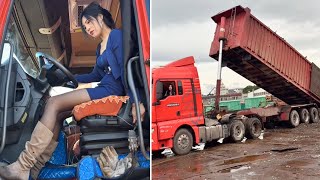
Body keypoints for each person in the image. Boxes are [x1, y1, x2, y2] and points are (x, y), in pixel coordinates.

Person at [0, 2, 145, 180]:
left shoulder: (116, 36)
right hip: (104, 87)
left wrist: (135, 100)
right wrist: (71, 79)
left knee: (54, 103)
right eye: (84, 27)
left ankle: (23, 165)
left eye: (89, 22)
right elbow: (94, 75)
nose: (88, 28)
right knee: (59, 113)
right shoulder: (100, 48)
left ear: (100, 17)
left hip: (112, 90)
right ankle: (34, 169)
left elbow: (125, 69)